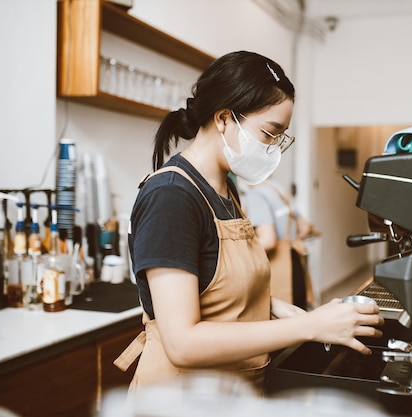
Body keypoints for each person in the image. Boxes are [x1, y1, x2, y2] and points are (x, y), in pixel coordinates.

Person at [114, 51, 383, 395]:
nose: (273, 148)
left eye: (281, 137)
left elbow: (227, 292)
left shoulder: (226, 190)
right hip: (181, 398)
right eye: (270, 133)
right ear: (224, 118)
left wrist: (299, 315)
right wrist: (309, 327)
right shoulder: (171, 196)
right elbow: (183, 342)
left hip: (229, 391)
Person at [244, 178, 317, 310]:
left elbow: (268, 241)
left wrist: (238, 253)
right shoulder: (277, 188)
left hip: (279, 273)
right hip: (296, 266)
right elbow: (304, 227)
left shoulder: (255, 194)